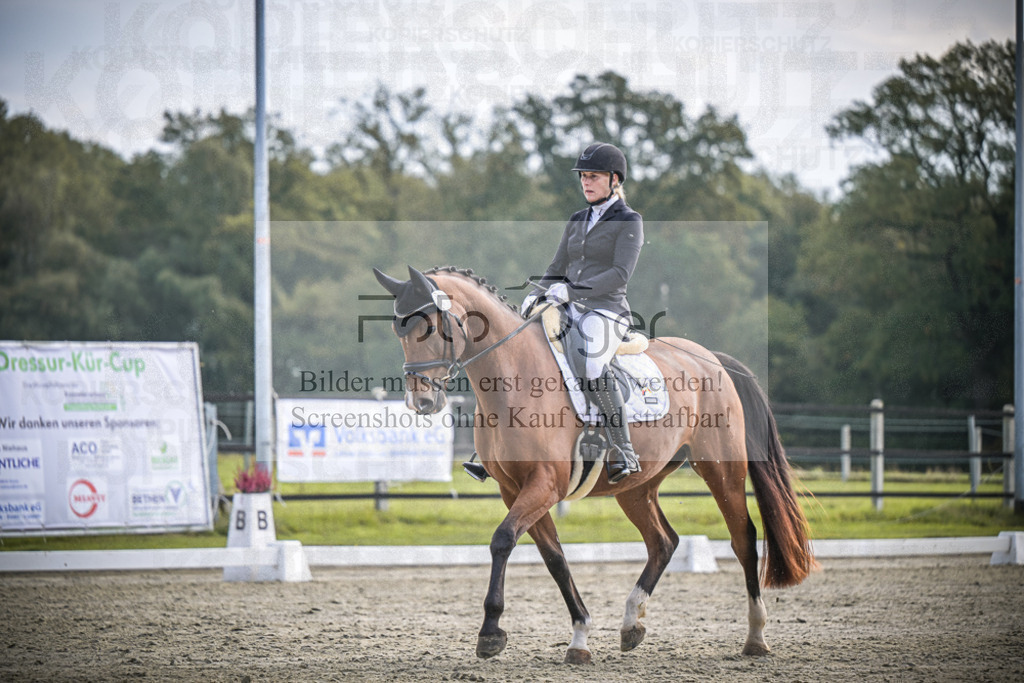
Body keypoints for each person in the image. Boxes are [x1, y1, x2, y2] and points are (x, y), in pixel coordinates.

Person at [522, 142, 644, 483]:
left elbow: (620, 274)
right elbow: (557, 266)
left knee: (591, 361)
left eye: (593, 176)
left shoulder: (630, 220)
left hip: (607, 311)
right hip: (566, 308)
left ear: (614, 179)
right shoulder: (577, 219)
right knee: (526, 350)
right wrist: (537, 295)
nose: (586, 182)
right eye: (583, 177)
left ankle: (624, 450)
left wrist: (572, 291)